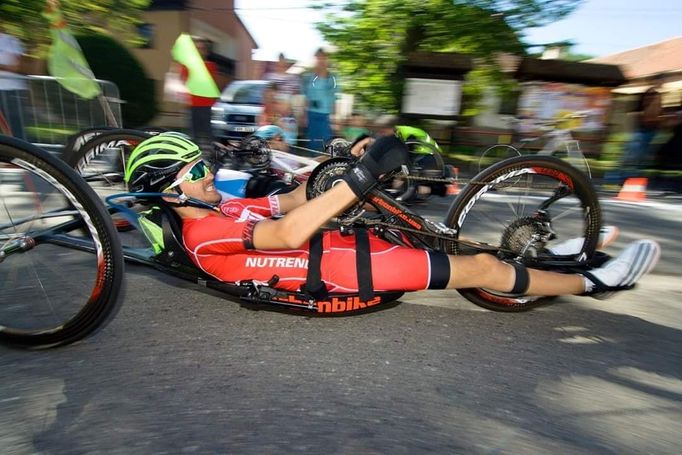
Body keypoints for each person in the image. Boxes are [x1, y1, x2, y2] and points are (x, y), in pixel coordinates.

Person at [124, 132, 660, 301]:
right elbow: (286, 233)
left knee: (443, 239)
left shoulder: (218, 204)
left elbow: (289, 203)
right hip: (343, 269)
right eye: (195, 170)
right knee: (478, 271)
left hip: (336, 243)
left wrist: (346, 167)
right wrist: (361, 180)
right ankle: (591, 282)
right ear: (169, 189)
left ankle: (547, 259)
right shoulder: (205, 230)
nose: (209, 173)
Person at [179, 36, 219, 153]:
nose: (199, 51)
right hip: (192, 104)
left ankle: (215, 156)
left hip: (206, 105)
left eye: (202, 48)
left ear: (205, 51)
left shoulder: (211, 66)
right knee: (193, 134)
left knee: (208, 133)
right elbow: (184, 82)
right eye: (197, 48)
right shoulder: (186, 65)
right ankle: (194, 156)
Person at [302, 48, 338, 152]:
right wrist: (304, 115)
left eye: (323, 58)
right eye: (318, 58)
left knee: (326, 144)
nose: (321, 60)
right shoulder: (310, 77)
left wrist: (335, 118)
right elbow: (307, 97)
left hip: (326, 115)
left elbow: (335, 97)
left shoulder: (333, 78)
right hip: (312, 114)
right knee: (312, 143)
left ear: (327, 60)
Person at [0, 25, 27, 140]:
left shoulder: (10, 41)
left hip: (10, 91)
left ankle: (23, 154)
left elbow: (17, 67)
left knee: (15, 129)